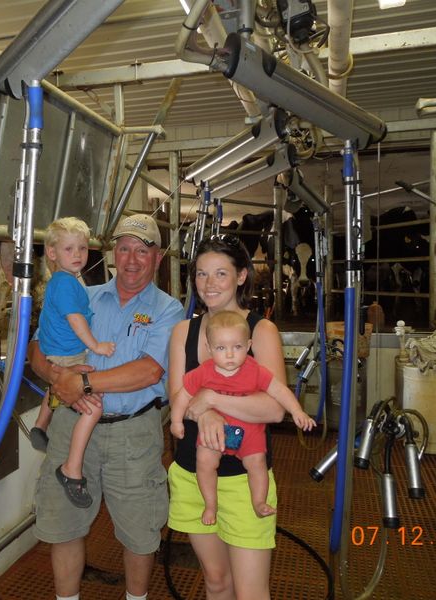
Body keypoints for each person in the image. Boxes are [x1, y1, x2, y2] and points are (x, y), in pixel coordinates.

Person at [29, 213, 183, 600]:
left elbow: (149, 371)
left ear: (157, 258)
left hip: (133, 433)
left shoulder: (168, 310)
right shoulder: (85, 295)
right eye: (125, 249)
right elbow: (37, 347)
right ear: (114, 252)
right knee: (64, 525)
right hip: (71, 422)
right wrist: (54, 376)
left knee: (140, 531)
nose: (132, 259)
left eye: (142, 251)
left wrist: (79, 381)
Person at [168, 235, 287, 600]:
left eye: (221, 273)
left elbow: (274, 408)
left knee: (251, 592)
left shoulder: (260, 331)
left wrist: (212, 399)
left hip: (243, 480)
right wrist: (203, 413)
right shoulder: (183, 332)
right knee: (216, 583)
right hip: (191, 473)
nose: (209, 284)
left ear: (240, 276)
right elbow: (176, 397)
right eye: (201, 275)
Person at [170, 310, 315, 527]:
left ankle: (258, 502)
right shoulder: (204, 371)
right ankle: (211, 504)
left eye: (237, 347)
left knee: (257, 463)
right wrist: (176, 421)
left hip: (249, 432)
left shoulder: (255, 370)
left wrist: (297, 411)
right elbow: (182, 396)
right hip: (215, 433)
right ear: (209, 349)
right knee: (204, 462)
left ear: (248, 346)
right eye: (221, 348)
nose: (229, 355)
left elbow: (280, 391)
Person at [29, 217, 116, 508]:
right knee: (94, 407)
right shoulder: (66, 284)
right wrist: (96, 346)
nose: (78, 254)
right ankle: (72, 469)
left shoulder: (65, 282)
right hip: (69, 352)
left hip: (60, 350)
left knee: (57, 385)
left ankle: (41, 424)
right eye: (69, 249)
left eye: (82, 248)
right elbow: (76, 320)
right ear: (52, 253)